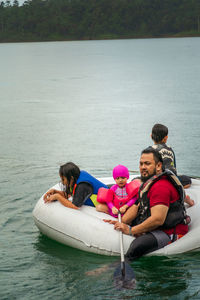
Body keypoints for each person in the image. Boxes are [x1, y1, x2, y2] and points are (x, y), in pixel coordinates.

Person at [104, 147, 190, 260]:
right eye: (141, 164)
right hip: (156, 225)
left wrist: (130, 230)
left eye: (147, 163)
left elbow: (158, 219)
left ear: (158, 166)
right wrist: (121, 222)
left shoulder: (161, 187)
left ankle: (116, 269)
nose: (143, 167)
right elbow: (137, 206)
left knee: (137, 246)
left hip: (168, 231)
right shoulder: (148, 183)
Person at [151, 123, 194, 206]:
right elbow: (173, 167)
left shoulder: (149, 151)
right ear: (166, 138)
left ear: (151, 136)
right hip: (173, 180)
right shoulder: (170, 149)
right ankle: (184, 196)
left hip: (156, 180)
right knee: (187, 180)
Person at [43, 162, 108, 209]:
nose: (62, 182)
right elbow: (69, 195)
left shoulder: (81, 186)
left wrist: (57, 197)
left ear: (71, 178)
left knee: (100, 208)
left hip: (109, 203)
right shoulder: (76, 178)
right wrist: (56, 192)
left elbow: (75, 206)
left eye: (63, 179)